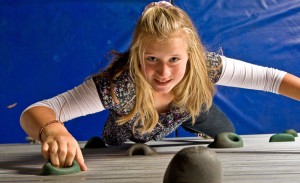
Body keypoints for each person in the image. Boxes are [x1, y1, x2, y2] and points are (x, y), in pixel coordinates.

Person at [20, 1, 300, 171]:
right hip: (132, 125)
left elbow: (270, 79)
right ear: (137, 54)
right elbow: (37, 110)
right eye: (151, 58)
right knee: (119, 149)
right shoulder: (118, 87)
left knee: (227, 133)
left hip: (190, 109)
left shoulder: (206, 64)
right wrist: (53, 129)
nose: (163, 72)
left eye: (175, 59)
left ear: (191, 55)